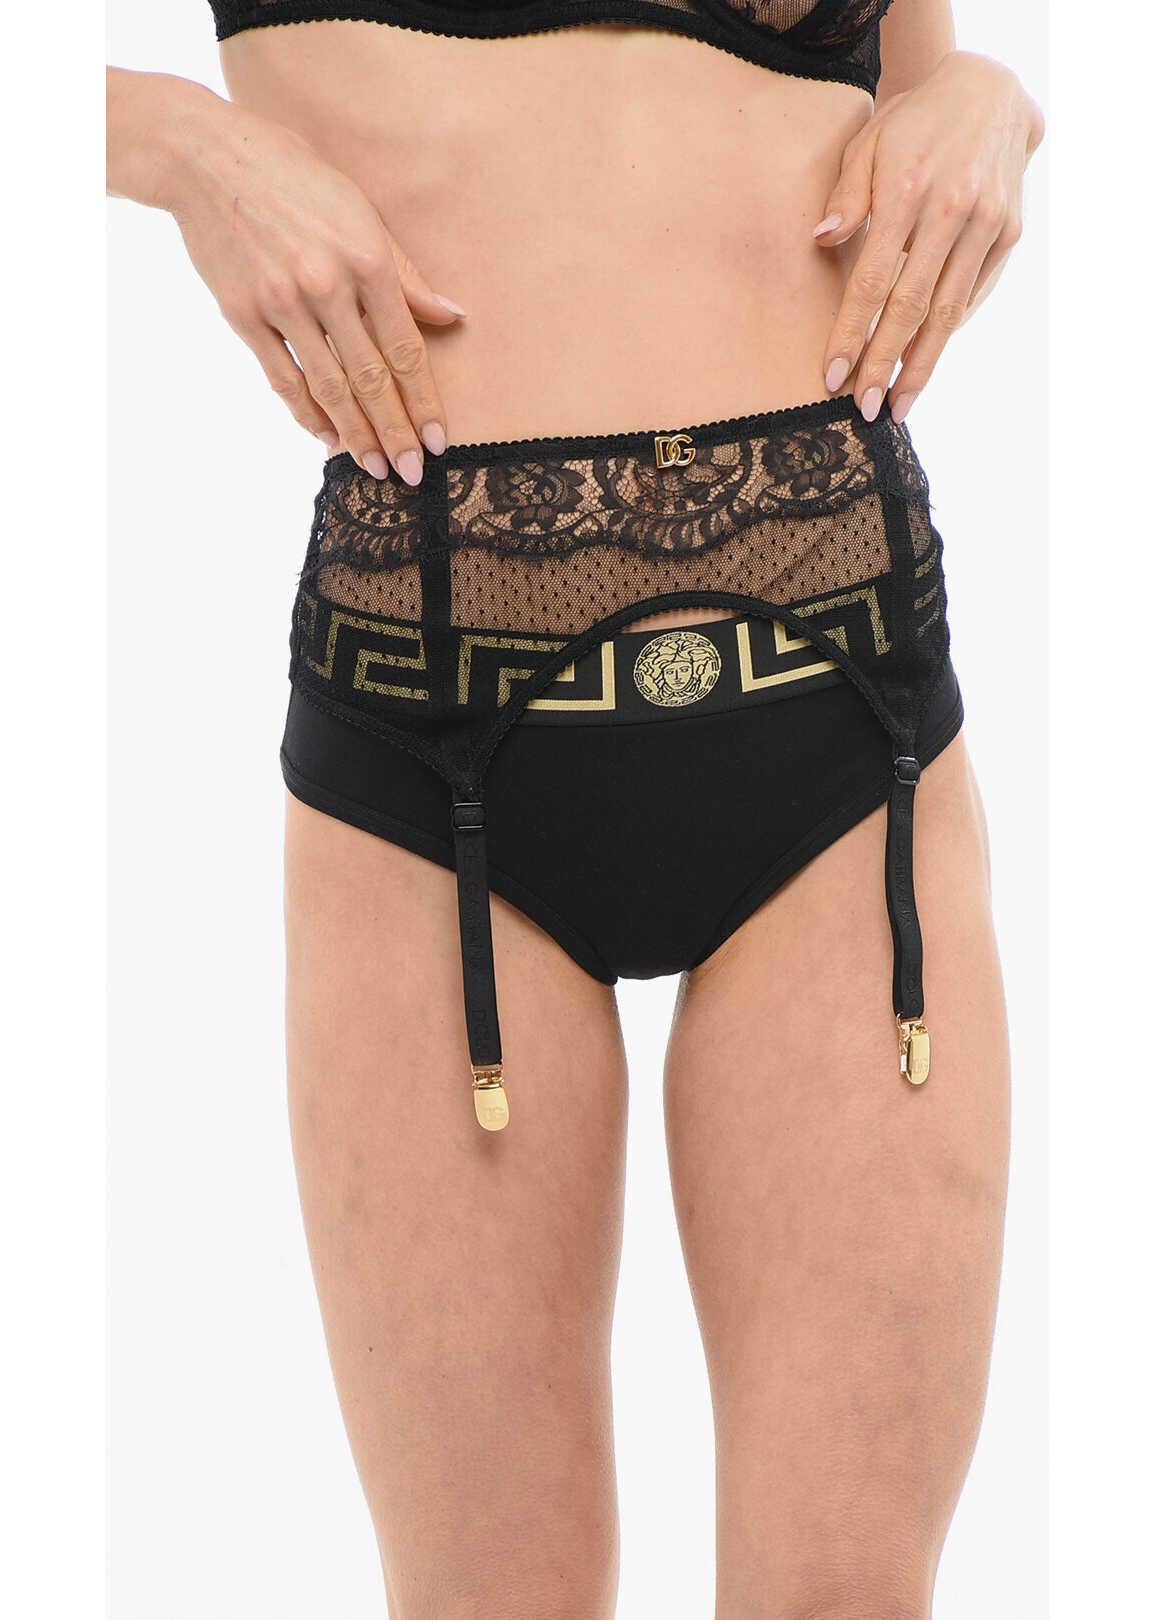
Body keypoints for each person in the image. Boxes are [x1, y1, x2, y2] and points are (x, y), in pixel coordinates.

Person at [106, 3, 1044, 1613]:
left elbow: (917, 85)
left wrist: (994, 101)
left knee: (846, 1592)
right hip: (434, 739)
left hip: (845, 710)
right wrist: (173, 140)